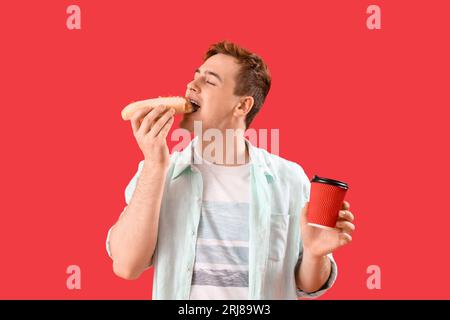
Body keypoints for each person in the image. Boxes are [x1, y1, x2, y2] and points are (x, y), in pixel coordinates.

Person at [106, 40, 355, 300]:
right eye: (195, 77)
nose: (192, 86)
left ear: (242, 106)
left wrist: (316, 254)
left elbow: (307, 284)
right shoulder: (157, 174)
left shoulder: (289, 179)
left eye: (210, 81)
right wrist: (155, 164)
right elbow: (126, 266)